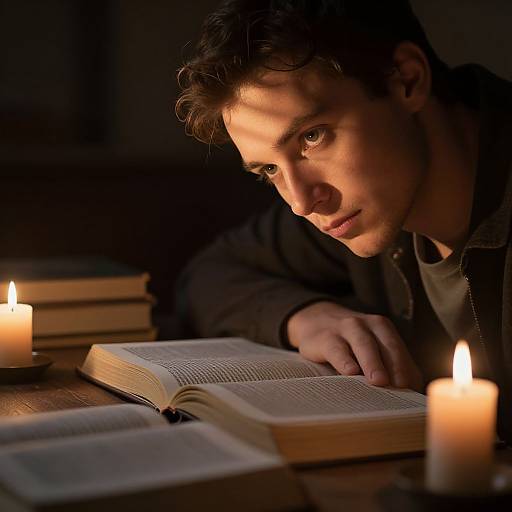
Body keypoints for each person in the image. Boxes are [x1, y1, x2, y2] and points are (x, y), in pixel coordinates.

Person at [175, 0, 512, 443]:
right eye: (269, 170)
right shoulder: (355, 206)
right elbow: (208, 274)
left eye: (311, 137)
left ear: (407, 80)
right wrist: (304, 318)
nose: (300, 202)